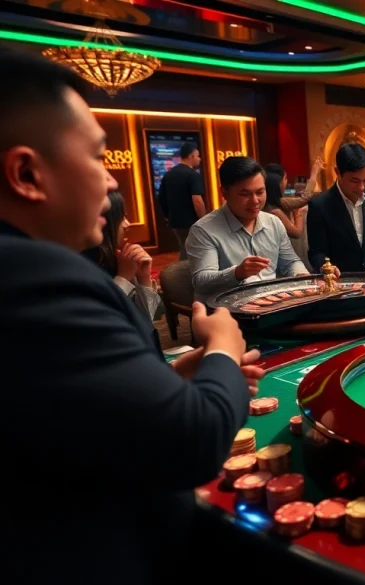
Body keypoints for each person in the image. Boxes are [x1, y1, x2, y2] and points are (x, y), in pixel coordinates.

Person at [0, 48, 261, 584]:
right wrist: (221, 349)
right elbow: (192, 442)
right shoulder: (36, 277)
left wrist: (164, 378)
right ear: (26, 173)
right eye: (97, 156)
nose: (114, 181)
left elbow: (54, 416)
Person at [186, 156, 309, 305]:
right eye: (245, 194)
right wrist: (237, 273)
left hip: (272, 305)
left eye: (260, 192)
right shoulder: (204, 230)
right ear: (224, 193)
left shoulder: (273, 222)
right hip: (227, 313)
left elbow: (290, 263)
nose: (255, 200)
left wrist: (302, 276)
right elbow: (201, 281)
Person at [307, 144, 365, 274]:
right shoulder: (320, 205)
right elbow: (317, 252)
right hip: (340, 283)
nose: (361, 187)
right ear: (338, 172)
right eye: (355, 181)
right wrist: (326, 267)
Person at [83, 191, 165, 327]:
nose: (127, 225)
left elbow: (148, 318)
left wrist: (143, 278)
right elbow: (98, 319)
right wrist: (123, 278)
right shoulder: (84, 264)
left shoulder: (118, 257)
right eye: (120, 218)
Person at [156, 141, 205, 259]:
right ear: (191, 156)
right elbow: (197, 200)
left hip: (175, 222)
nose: (200, 159)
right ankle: (185, 275)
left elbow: (161, 198)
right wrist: (204, 219)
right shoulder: (193, 175)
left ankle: (182, 274)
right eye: (198, 156)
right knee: (193, 251)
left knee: (185, 248)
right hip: (191, 222)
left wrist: (168, 216)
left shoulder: (168, 175)